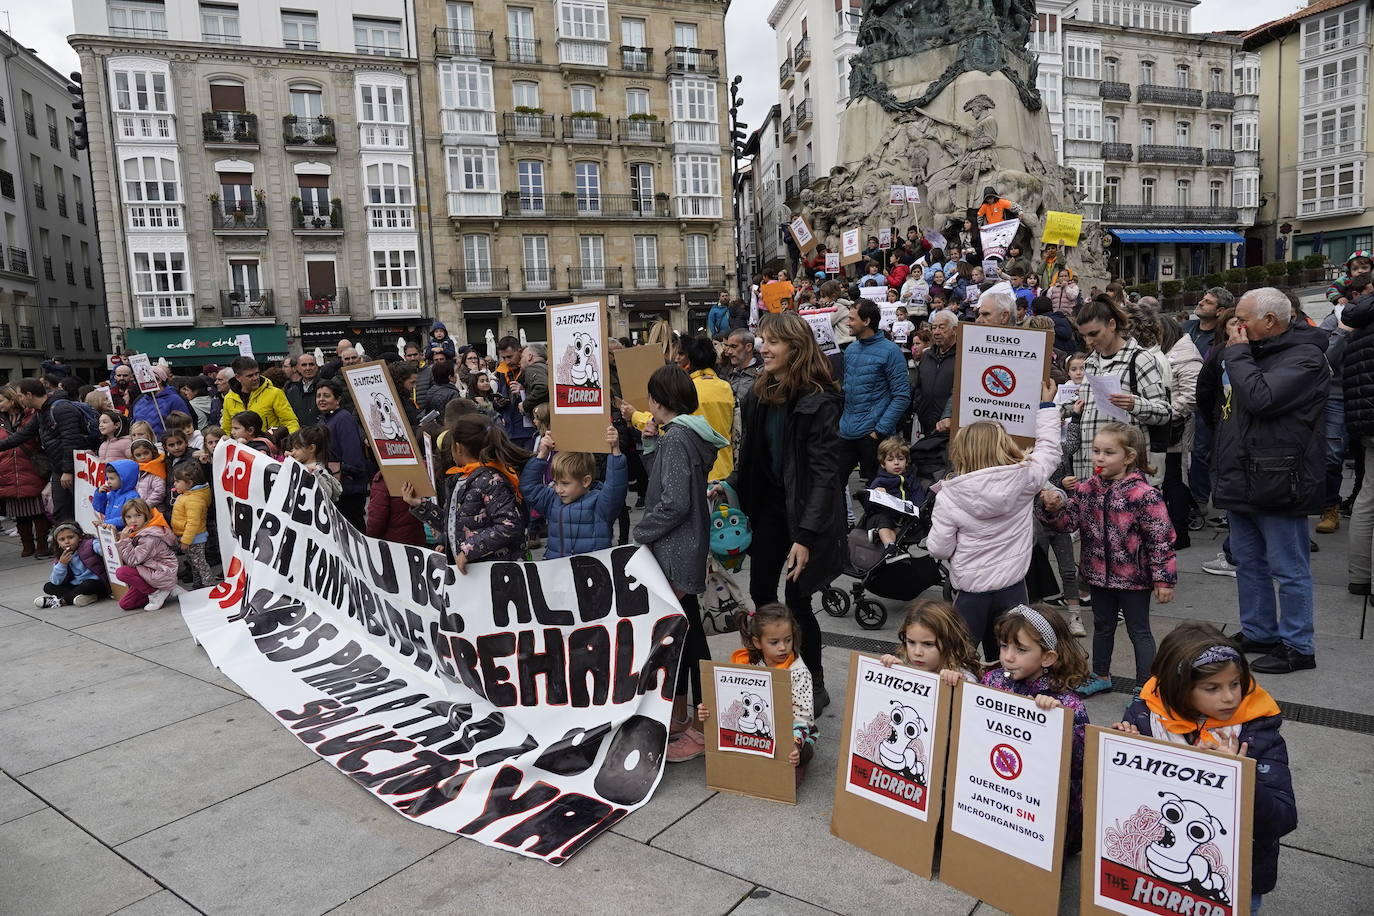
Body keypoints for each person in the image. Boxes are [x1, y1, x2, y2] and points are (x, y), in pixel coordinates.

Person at [1112, 623, 1296, 913]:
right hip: (1151, 876)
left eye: (1235, 684)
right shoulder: (1146, 716)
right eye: (1212, 688)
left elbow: (1282, 819)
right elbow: (1125, 803)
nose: (1229, 697)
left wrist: (1240, 776)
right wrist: (1124, 751)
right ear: (1178, 689)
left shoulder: (1257, 733)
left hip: (1236, 880)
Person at [1198, 288, 1327, 674]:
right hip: (1241, 472)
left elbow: (1261, 398)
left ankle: (1298, 645)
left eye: (1243, 319)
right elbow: (1214, 402)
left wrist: (1235, 354)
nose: (1236, 326)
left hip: (1280, 478)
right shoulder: (1245, 351)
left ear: (1270, 321)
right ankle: (1259, 630)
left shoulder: (1305, 356)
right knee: (1249, 562)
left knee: (1288, 567)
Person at [725, 312, 846, 712]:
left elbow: (827, 476)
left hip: (804, 514)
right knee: (761, 590)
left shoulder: (819, 399)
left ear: (796, 348)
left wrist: (806, 537)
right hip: (769, 510)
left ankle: (813, 681)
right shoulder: (758, 392)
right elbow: (750, 458)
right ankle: (773, 668)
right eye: (762, 340)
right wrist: (725, 488)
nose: (763, 347)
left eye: (773, 341)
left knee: (797, 598)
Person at [631, 365, 729, 761]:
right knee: (688, 634)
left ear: (658, 401)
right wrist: (650, 446)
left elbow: (672, 502)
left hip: (673, 549)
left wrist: (641, 533)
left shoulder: (678, 439)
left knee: (687, 639)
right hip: (688, 545)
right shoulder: (690, 435)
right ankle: (691, 717)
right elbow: (669, 486)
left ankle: (702, 725)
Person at [1040, 423, 1177, 697]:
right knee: (1102, 626)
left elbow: (1161, 539)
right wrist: (1053, 508)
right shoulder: (1087, 489)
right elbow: (1069, 523)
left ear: (1129, 457)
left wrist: (1164, 579)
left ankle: (1146, 686)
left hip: (1134, 579)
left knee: (1139, 631)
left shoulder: (1144, 495)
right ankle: (1100, 674)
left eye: (1108, 452)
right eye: (1096, 451)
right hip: (1097, 574)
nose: (1099, 458)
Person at [926, 384, 1060, 660]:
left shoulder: (950, 495)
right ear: (1004, 444)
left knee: (959, 659)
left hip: (970, 591)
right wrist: (1046, 406)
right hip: (1013, 586)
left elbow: (938, 548)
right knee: (1010, 658)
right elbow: (1049, 451)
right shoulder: (1025, 478)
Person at [984, 604, 1090, 853]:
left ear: (1047, 657)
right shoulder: (992, 681)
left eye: (1020, 649)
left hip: (1043, 805)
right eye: (1003, 646)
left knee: (1042, 852)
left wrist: (1055, 720)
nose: (1008, 657)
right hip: (1000, 793)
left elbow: (1079, 763)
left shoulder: (1065, 702)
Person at [694, 603, 818, 777]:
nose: (783, 647)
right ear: (757, 642)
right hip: (755, 732)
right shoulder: (748, 663)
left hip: (788, 730)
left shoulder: (798, 672)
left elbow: (803, 717)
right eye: (774, 642)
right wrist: (708, 710)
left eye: (788, 640)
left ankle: (799, 759)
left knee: (794, 762)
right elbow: (729, 700)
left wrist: (795, 745)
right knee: (720, 761)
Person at [402, 415, 528, 573]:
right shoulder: (461, 479)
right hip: (472, 574)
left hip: (495, 574)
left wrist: (469, 550)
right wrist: (420, 505)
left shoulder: (491, 479)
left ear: (458, 447)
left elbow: (509, 525)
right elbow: (452, 523)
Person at [1071, 297, 1172, 479]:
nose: (1088, 341)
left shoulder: (1140, 359)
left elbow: (1164, 412)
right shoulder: (1090, 362)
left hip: (1125, 476)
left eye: (1094, 334)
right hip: (1090, 473)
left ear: (1111, 324)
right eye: (1084, 336)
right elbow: (1086, 406)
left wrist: (1134, 404)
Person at [521, 426, 627, 559]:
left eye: (565, 483)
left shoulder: (601, 505)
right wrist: (542, 455)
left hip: (591, 573)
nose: (558, 489)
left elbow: (616, 487)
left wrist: (615, 451)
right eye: (556, 483)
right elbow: (529, 487)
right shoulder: (552, 500)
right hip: (558, 571)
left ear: (586, 481)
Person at [837, 302, 911, 487]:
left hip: (873, 436)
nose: (848, 323)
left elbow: (901, 396)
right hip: (847, 432)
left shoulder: (891, 351)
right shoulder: (851, 350)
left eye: (852, 319)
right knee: (833, 487)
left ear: (867, 321)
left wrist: (879, 431)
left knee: (877, 493)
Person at [878, 599, 982, 684]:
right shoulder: (904, 663)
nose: (917, 652)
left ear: (950, 642)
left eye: (928, 644)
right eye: (911, 642)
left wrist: (959, 685)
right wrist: (893, 670)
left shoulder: (962, 676)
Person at [0, 385, 48, 557]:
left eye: (1, 400)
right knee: (19, 512)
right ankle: (27, 544)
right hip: (8, 468)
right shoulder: (2, 420)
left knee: (37, 509)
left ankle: (42, 543)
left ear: (12, 398)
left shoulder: (30, 415)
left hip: (30, 465)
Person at [107, 498, 178, 611]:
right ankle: (166, 590)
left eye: (138, 515)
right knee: (125, 604)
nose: (133, 520)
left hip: (161, 573)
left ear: (146, 516)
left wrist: (123, 541)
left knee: (122, 572)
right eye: (128, 517)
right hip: (149, 571)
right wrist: (118, 536)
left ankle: (156, 593)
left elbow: (132, 561)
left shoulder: (149, 536)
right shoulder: (139, 531)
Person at [315, 380, 369, 529]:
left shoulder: (343, 418)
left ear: (337, 399)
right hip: (335, 484)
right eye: (318, 396)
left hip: (348, 488)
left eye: (326, 396)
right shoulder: (325, 419)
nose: (321, 399)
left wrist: (343, 472)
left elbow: (352, 455)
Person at [866, 437, 927, 553]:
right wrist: (878, 494)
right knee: (884, 521)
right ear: (883, 464)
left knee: (905, 526)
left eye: (900, 459)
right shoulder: (880, 481)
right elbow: (868, 505)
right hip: (885, 516)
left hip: (904, 517)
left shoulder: (911, 480)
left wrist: (916, 508)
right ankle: (890, 547)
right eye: (890, 460)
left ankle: (884, 540)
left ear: (907, 461)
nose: (896, 463)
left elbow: (918, 496)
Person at [35, 523, 108, 608]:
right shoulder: (61, 557)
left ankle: (61, 601)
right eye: (62, 539)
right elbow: (56, 581)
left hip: (97, 583)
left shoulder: (89, 544)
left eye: (70, 537)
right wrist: (62, 564)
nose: (67, 542)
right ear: (58, 543)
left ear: (79, 537)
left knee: (88, 585)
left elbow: (102, 548)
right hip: (77, 585)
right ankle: (86, 597)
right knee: (48, 586)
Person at [220, 356, 299, 434]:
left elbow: (290, 422)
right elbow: (226, 429)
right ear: (238, 377)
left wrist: (290, 442)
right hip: (241, 445)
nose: (255, 378)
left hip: (270, 445)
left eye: (257, 373)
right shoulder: (229, 398)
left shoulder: (274, 393)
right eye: (250, 376)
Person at [169, 461, 214, 590]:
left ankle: (208, 584)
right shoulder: (187, 495)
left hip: (194, 538)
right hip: (188, 538)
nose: (174, 484)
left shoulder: (194, 500)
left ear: (189, 483)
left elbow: (193, 523)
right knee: (194, 562)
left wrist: (185, 541)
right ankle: (198, 584)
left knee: (199, 563)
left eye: (177, 481)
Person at [914, 310, 958, 438]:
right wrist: (918, 407)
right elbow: (919, 386)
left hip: (948, 425)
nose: (936, 332)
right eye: (934, 327)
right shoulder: (927, 355)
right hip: (925, 422)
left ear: (954, 329)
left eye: (942, 327)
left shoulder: (962, 357)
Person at [365, 469, 425, 546]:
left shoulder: (384, 481)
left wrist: (370, 541)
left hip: (392, 545)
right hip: (417, 540)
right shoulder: (417, 474)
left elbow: (376, 522)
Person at [287, 426, 341, 502]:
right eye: (292, 449)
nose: (293, 452)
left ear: (311, 448)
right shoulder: (300, 465)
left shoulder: (318, 470)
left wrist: (316, 474)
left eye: (297, 448)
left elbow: (328, 494)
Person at [721, 328, 761, 405]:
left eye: (734, 346)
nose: (729, 351)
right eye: (728, 346)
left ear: (748, 347)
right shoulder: (727, 373)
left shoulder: (762, 375)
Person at [128, 438, 168, 513]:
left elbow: (159, 492)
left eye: (146, 453)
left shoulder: (157, 468)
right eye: (138, 455)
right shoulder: (135, 470)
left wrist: (144, 506)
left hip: (154, 510)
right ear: (133, 457)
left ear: (152, 452)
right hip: (138, 510)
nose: (142, 457)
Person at [285, 351, 322, 428]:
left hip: (321, 434)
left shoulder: (326, 387)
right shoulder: (291, 391)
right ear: (297, 368)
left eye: (311, 364)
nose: (308, 368)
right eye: (304, 365)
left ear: (317, 367)